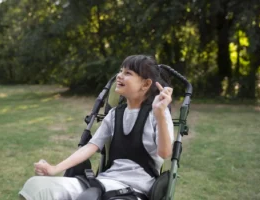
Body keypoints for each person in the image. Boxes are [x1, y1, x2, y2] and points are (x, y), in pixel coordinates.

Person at [19, 55, 174, 200]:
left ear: (145, 84)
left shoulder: (158, 113)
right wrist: (54, 168)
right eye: (120, 71)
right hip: (101, 183)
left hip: (133, 191)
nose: (119, 75)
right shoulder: (113, 115)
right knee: (35, 186)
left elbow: (165, 153)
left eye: (128, 73)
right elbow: (89, 147)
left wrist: (160, 113)